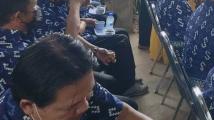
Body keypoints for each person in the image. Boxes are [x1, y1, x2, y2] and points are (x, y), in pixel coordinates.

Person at [36, 0, 147, 97]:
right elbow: (69, 39)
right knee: (120, 40)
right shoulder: (42, 11)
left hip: (77, 41)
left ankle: (123, 77)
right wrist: (75, 5)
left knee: (122, 33)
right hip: (66, 59)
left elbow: (68, 29)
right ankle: (126, 86)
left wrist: (95, 49)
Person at [0, 34, 152, 120]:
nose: (85, 106)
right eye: (72, 106)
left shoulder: (79, 90)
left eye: (88, 95)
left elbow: (125, 114)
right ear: (28, 107)